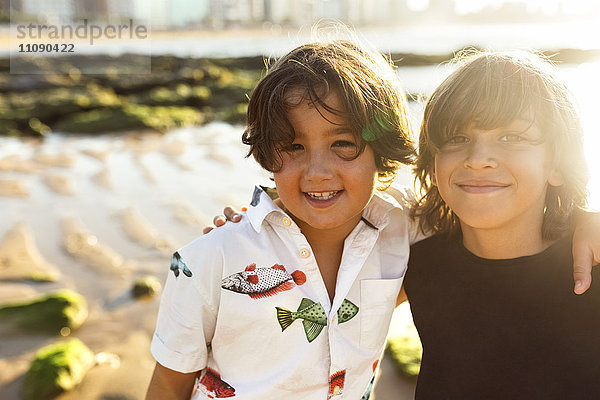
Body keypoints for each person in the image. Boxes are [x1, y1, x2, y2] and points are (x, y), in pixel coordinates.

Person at [146, 39, 422, 399]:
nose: (318, 172)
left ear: (382, 148)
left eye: (343, 143)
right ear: (266, 151)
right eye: (294, 146)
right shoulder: (209, 260)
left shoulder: (405, 233)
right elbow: (170, 382)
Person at [404, 50, 600, 399]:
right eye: (456, 138)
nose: (478, 160)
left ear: (557, 163)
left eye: (512, 137)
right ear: (434, 161)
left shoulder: (590, 267)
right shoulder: (414, 265)